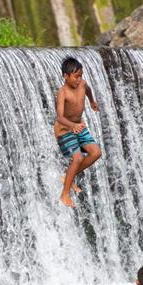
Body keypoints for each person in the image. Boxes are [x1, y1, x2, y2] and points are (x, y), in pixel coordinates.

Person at [54, 57, 102, 207]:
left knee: (96, 153)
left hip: (79, 127)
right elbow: (60, 117)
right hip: (64, 130)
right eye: (76, 76)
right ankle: (65, 194)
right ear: (65, 76)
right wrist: (72, 126)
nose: (79, 79)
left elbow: (88, 90)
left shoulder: (82, 84)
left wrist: (92, 101)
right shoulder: (63, 92)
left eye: (81, 75)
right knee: (77, 158)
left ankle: (67, 176)